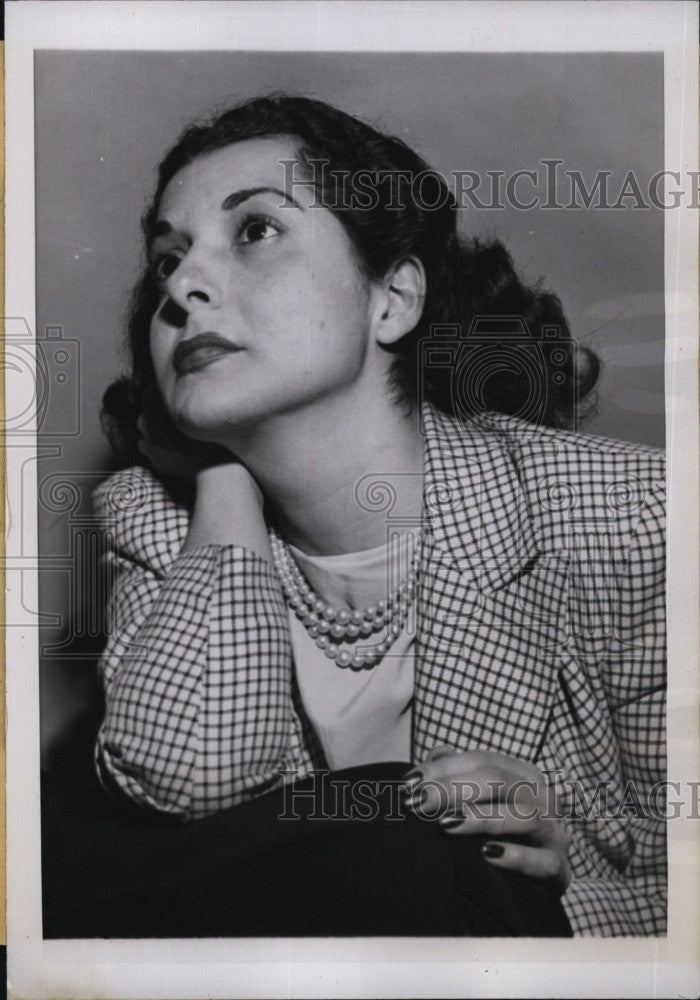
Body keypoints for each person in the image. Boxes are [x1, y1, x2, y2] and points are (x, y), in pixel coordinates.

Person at [94, 94, 666, 937]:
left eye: (254, 230)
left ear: (392, 299)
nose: (180, 285)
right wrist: (222, 472)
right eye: (167, 259)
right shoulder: (149, 519)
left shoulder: (634, 519)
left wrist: (561, 873)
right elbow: (194, 773)